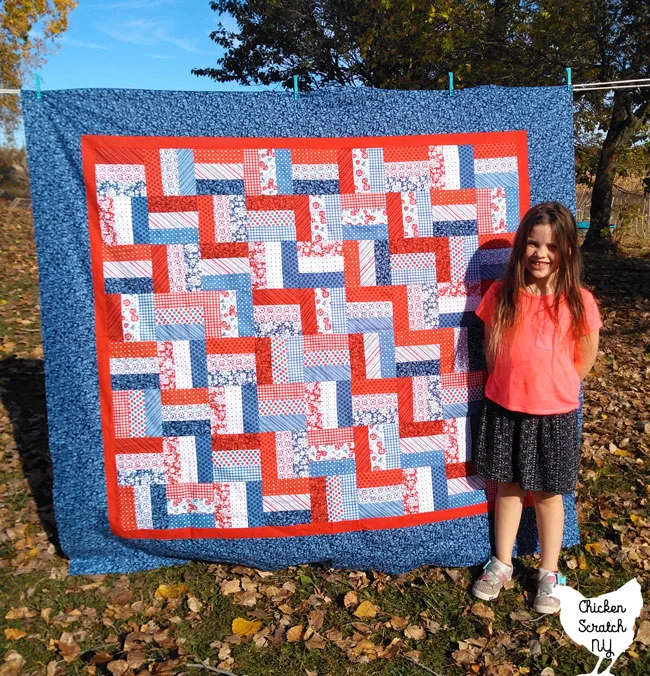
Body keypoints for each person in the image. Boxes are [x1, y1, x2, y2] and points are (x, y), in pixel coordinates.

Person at [470, 202, 602, 614]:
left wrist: (552, 388)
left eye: (551, 246)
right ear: (520, 248)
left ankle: (548, 572)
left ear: (567, 251)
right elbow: (494, 353)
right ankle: (502, 563)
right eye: (532, 243)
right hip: (506, 408)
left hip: (555, 415)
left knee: (547, 494)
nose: (540, 254)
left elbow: (584, 359)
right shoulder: (501, 296)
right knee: (508, 487)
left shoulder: (578, 301)